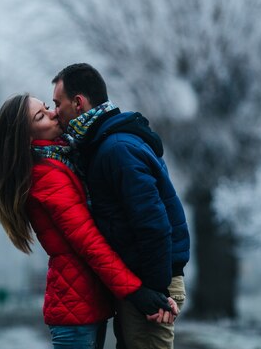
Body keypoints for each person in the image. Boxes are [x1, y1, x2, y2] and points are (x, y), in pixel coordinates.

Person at [0, 94, 177, 349]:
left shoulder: (61, 160)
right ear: (27, 138)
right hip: (75, 309)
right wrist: (135, 291)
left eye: (47, 107)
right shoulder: (46, 177)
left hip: (85, 303)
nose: (54, 113)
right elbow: (89, 241)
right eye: (41, 116)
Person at [52, 64, 191, 349]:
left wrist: (152, 293)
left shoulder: (116, 149)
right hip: (143, 283)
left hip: (153, 286)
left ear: (78, 103)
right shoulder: (104, 144)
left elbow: (152, 223)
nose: (55, 112)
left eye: (57, 103)